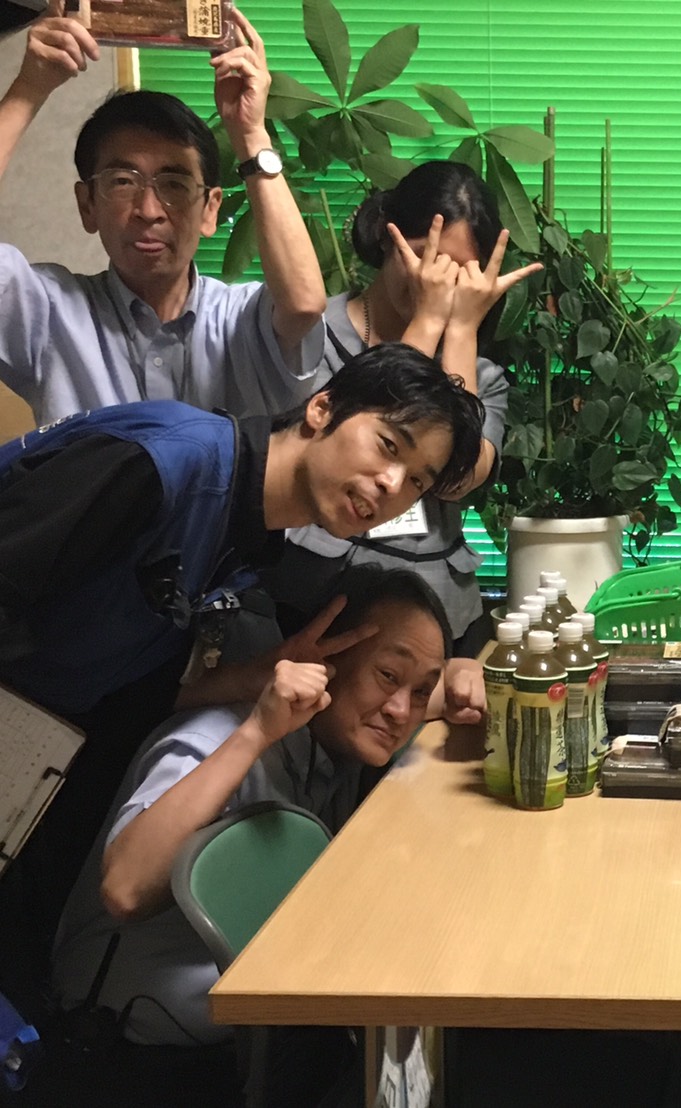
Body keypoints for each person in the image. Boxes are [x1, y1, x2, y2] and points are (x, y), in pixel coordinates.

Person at [0, 343, 483, 1020]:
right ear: (321, 409)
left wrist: (245, 680)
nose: (390, 485)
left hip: (47, 763)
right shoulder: (164, 466)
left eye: (417, 481)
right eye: (386, 445)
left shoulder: (248, 538)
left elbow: (122, 688)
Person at [42, 567, 452, 1107]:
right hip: (136, 1060)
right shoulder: (215, 741)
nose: (401, 710)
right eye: (387, 675)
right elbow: (124, 889)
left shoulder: (341, 735)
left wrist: (463, 675)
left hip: (258, 1037)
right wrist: (257, 731)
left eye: (420, 691)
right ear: (324, 663)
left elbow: (419, 695)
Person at [267, 161, 541, 725]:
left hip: (435, 623)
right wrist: (430, 320)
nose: (433, 281)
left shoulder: (481, 377)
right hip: (314, 610)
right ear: (385, 234)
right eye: (423, 255)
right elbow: (382, 413)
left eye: (458, 272)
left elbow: (455, 478)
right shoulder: (309, 339)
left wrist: (458, 329)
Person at [0, 2, 326, 422]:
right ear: (88, 205)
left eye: (174, 185)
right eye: (122, 182)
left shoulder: (240, 320)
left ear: (210, 210)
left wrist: (250, 134)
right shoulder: (49, 312)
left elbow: (304, 304)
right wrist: (29, 88)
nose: (149, 211)